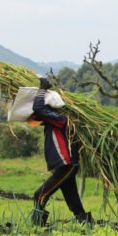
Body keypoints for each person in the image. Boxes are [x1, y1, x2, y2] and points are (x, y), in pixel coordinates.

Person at [29, 77, 92, 226]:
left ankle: (37, 227)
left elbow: (38, 108)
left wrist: (42, 90)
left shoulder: (61, 119)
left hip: (66, 164)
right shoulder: (52, 121)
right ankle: (86, 224)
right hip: (64, 165)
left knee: (40, 194)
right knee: (72, 198)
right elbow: (37, 113)